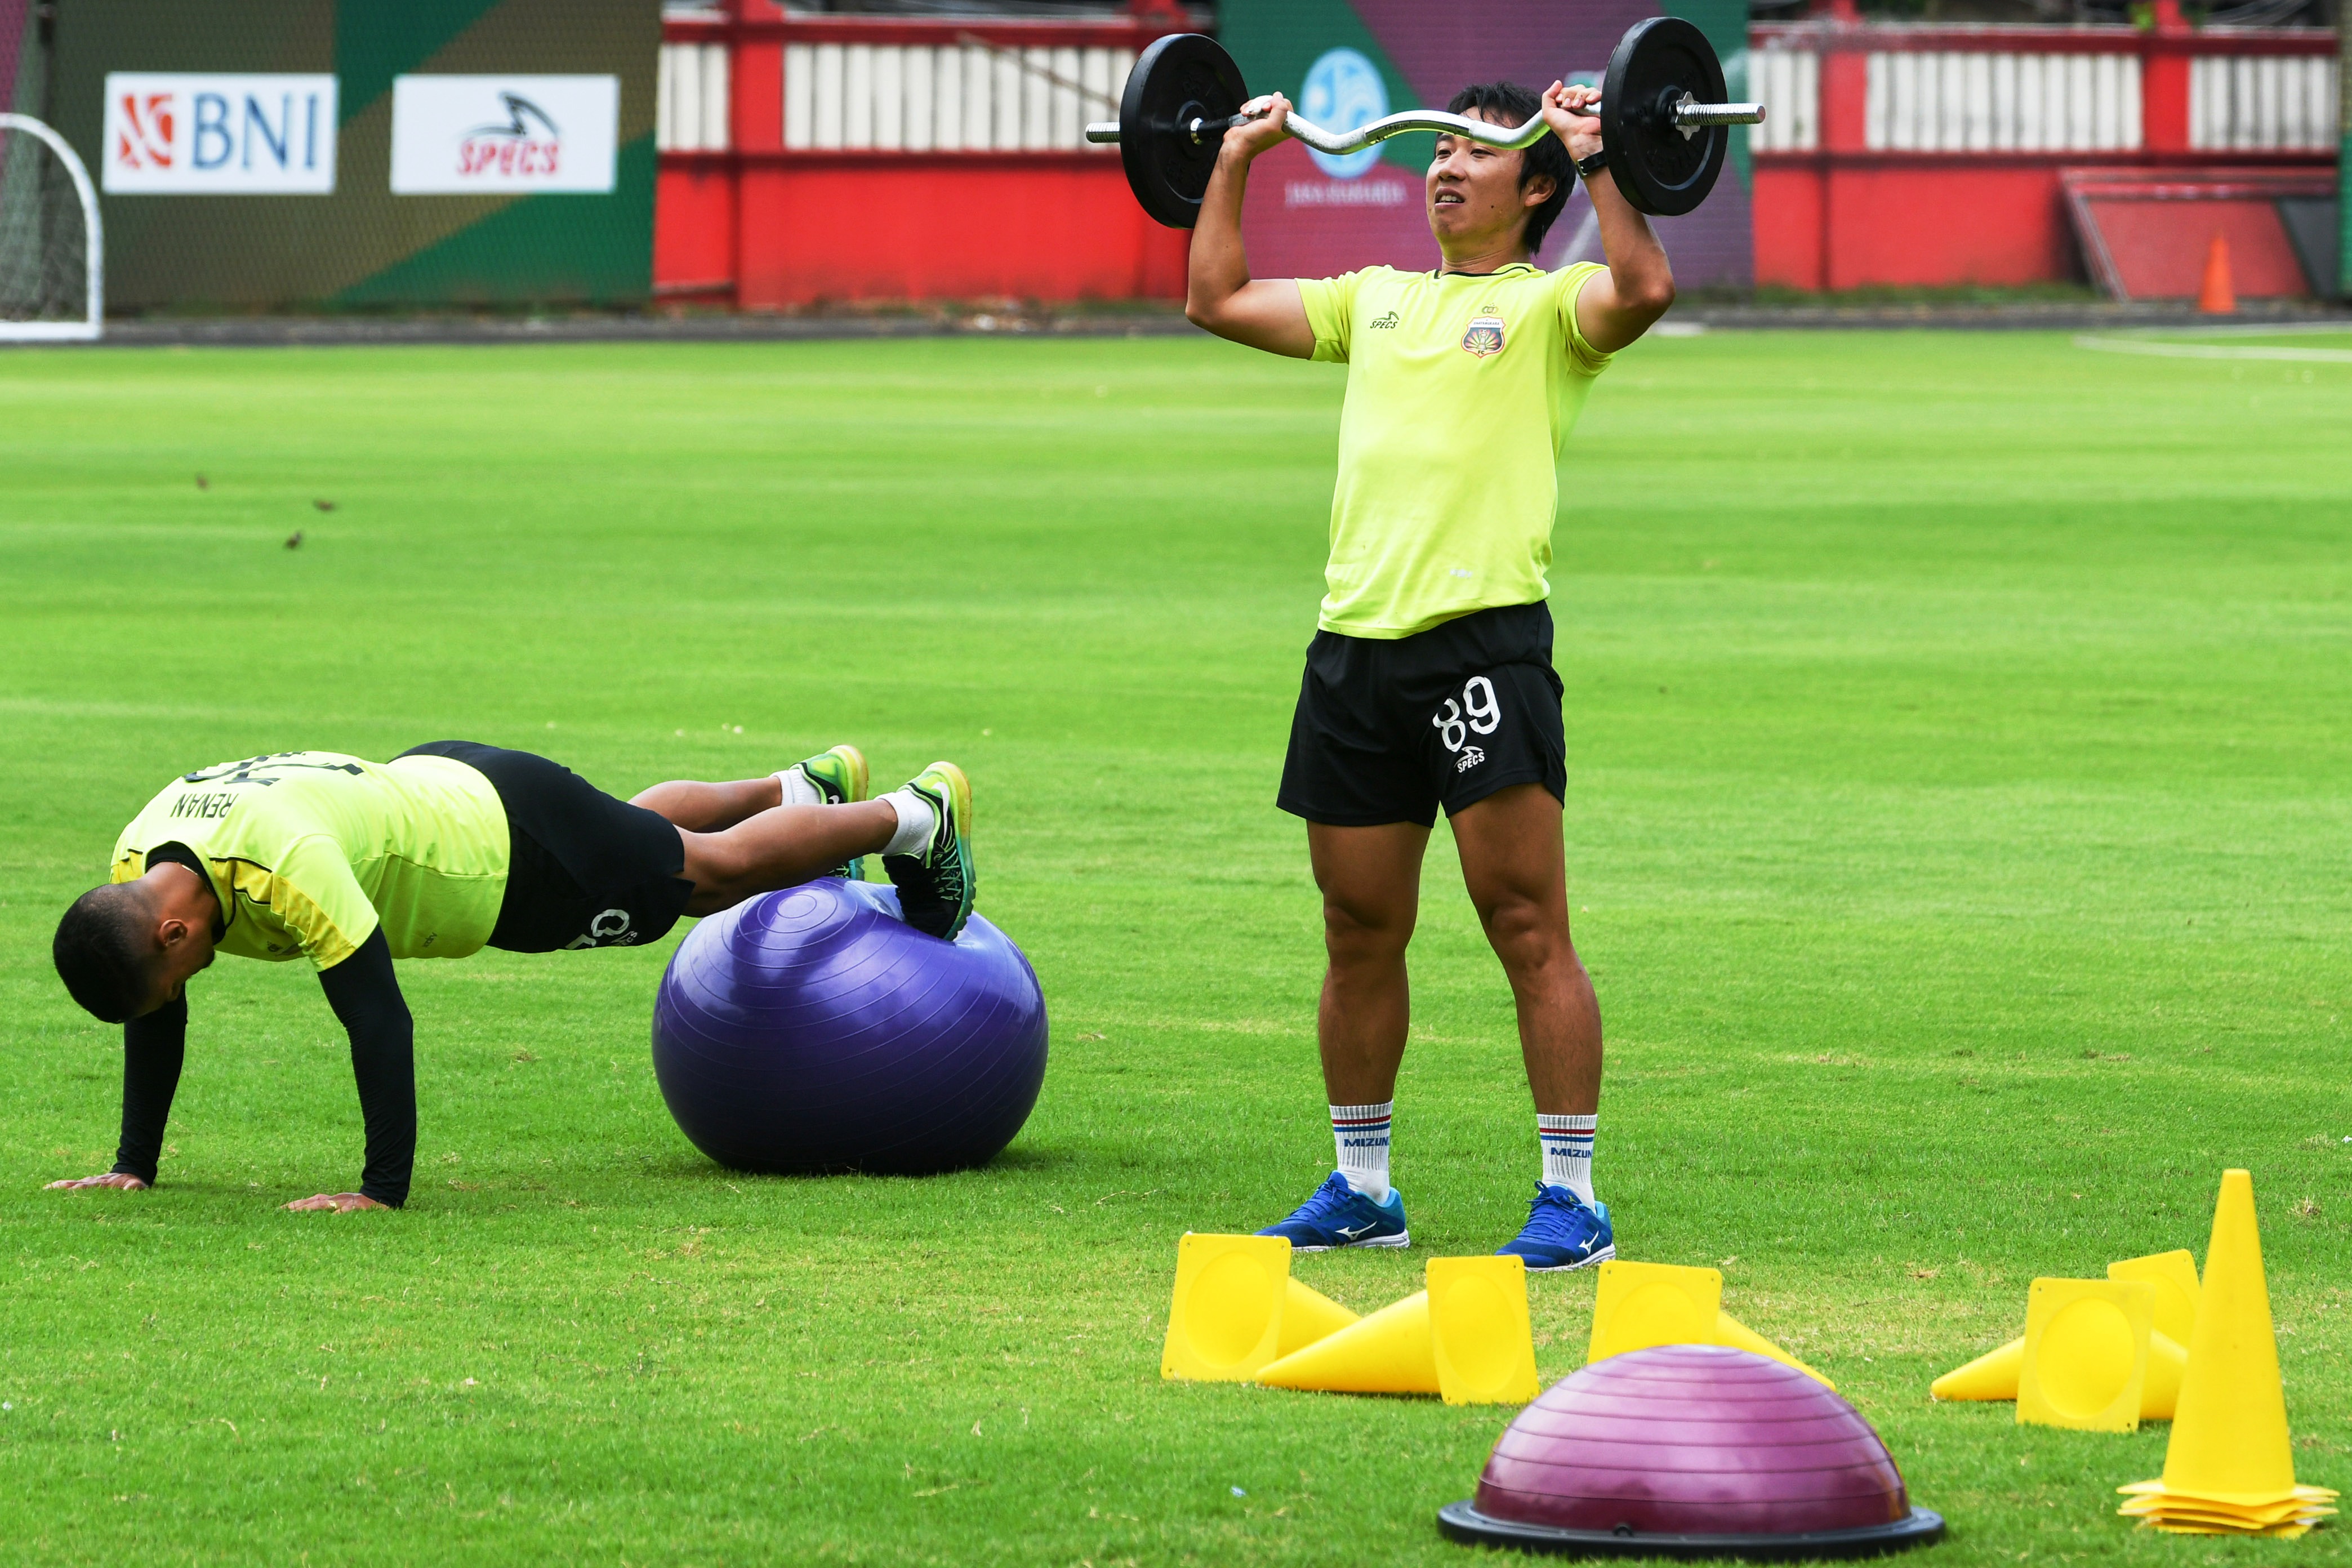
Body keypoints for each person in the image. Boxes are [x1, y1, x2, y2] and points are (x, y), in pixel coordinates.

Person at [1184, 78, 1677, 1268]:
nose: (1446, 166)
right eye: (1439, 148)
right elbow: (1214, 298)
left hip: (1482, 649)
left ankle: (1574, 1197)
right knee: (1358, 926)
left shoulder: (1552, 307)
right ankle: (1364, 1188)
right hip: (1354, 653)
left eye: (1477, 152)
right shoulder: (1377, 301)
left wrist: (1600, 154)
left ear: (1535, 186)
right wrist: (1238, 156)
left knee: (1524, 923)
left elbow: (1647, 288)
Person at [47, 742, 973, 1211]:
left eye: (175, 979)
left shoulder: (284, 868)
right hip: (449, 778)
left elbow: (378, 1021)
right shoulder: (141, 857)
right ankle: (804, 789)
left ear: (171, 929)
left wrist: (380, 1190)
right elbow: (152, 1015)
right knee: (638, 836)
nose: (180, 993)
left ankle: (911, 817)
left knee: (703, 879)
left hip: (509, 857)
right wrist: (133, 1167)